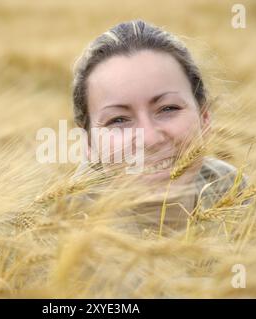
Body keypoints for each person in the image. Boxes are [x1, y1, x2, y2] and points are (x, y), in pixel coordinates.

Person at [71, 20, 246, 235]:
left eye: (168, 108)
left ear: (204, 118)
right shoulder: (61, 228)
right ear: (89, 143)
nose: (150, 139)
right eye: (118, 120)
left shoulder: (232, 191)